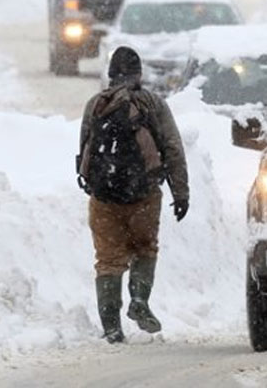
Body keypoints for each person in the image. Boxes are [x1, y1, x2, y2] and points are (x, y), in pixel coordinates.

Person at [78, 46, 189, 343]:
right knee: (144, 249)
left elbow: (85, 148)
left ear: (111, 74)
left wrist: (91, 182)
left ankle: (112, 326)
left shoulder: (95, 104)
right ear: (139, 74)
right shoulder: (152, 104)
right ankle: (139, 300)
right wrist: (181, 193)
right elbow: (173, 149)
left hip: (104, 198)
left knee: (108, 260)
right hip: (144, 195)